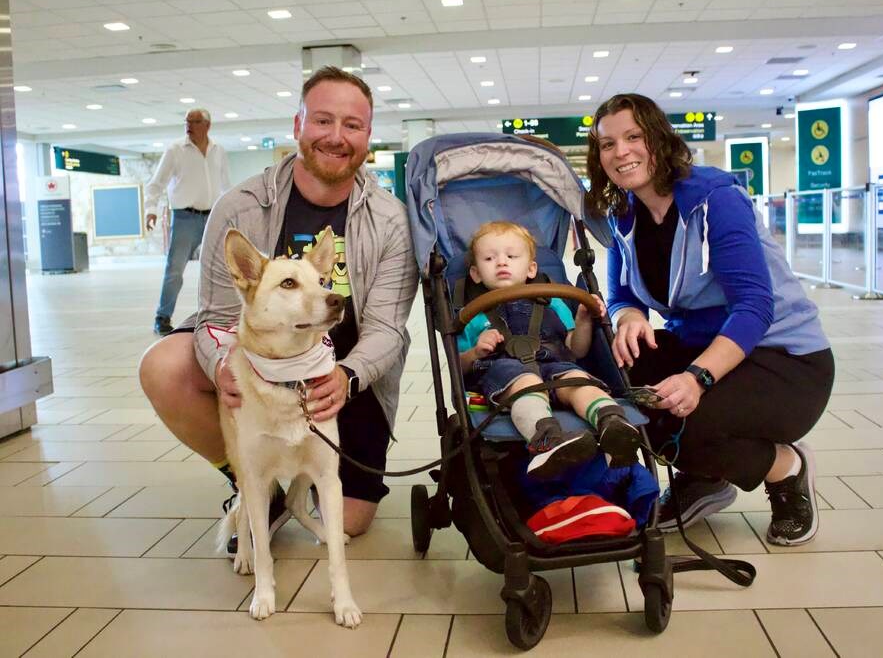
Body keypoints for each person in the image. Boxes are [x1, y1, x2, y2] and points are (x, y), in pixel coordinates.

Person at [139, 66, 418, 541]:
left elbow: (387, 329)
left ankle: (306, 475)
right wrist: (219, 367)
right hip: (257, 366)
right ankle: (253, 485)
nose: (336, 136)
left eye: (352, 125)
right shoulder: (240, 207)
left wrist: (347, 378)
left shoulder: (390, 220)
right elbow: (217, 316)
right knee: (162, 366)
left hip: (341, 371)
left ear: (368, 136)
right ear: (298, 126)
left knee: (346, 524)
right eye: (322, 121)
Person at [586, 93, 834, 546]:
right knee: (612, 378)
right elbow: (620, 291)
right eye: (607, 144)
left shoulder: (715, 199)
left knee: (684, 419)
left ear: (658, 139)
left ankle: (786, 469)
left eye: (633, 137)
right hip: (702, 346)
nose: (620, 152)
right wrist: (629, 317)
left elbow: (755, 306)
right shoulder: (624, 211)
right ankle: (705, 478)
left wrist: (696, 378)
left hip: (781, 361)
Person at [458, 221, 641, 479]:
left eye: (511, 256)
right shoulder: (472, 314)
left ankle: (612, 425)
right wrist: (476, 351)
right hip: (505, 371)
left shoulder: (551, 301)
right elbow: (460, 366)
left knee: (578, 380)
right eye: (490, 258)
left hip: (555, 364)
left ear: (531, 268)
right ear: (475, 274)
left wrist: (583, 321)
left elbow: (575, 349)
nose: (501, 262)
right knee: (526, 381)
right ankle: (545, 441)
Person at [145, 108, 232, 336]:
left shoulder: (218, 150)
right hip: (185, 218)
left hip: (213, 217)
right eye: (187, 121)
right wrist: (150, 209)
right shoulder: (175, 150)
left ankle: (224, 315)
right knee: (175, 270)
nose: (189, 125)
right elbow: (156, 183)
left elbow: (225, 186)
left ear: (207, 125)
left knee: (224, 267)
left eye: (195, 121)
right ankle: (162, 317)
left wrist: (231, 213)